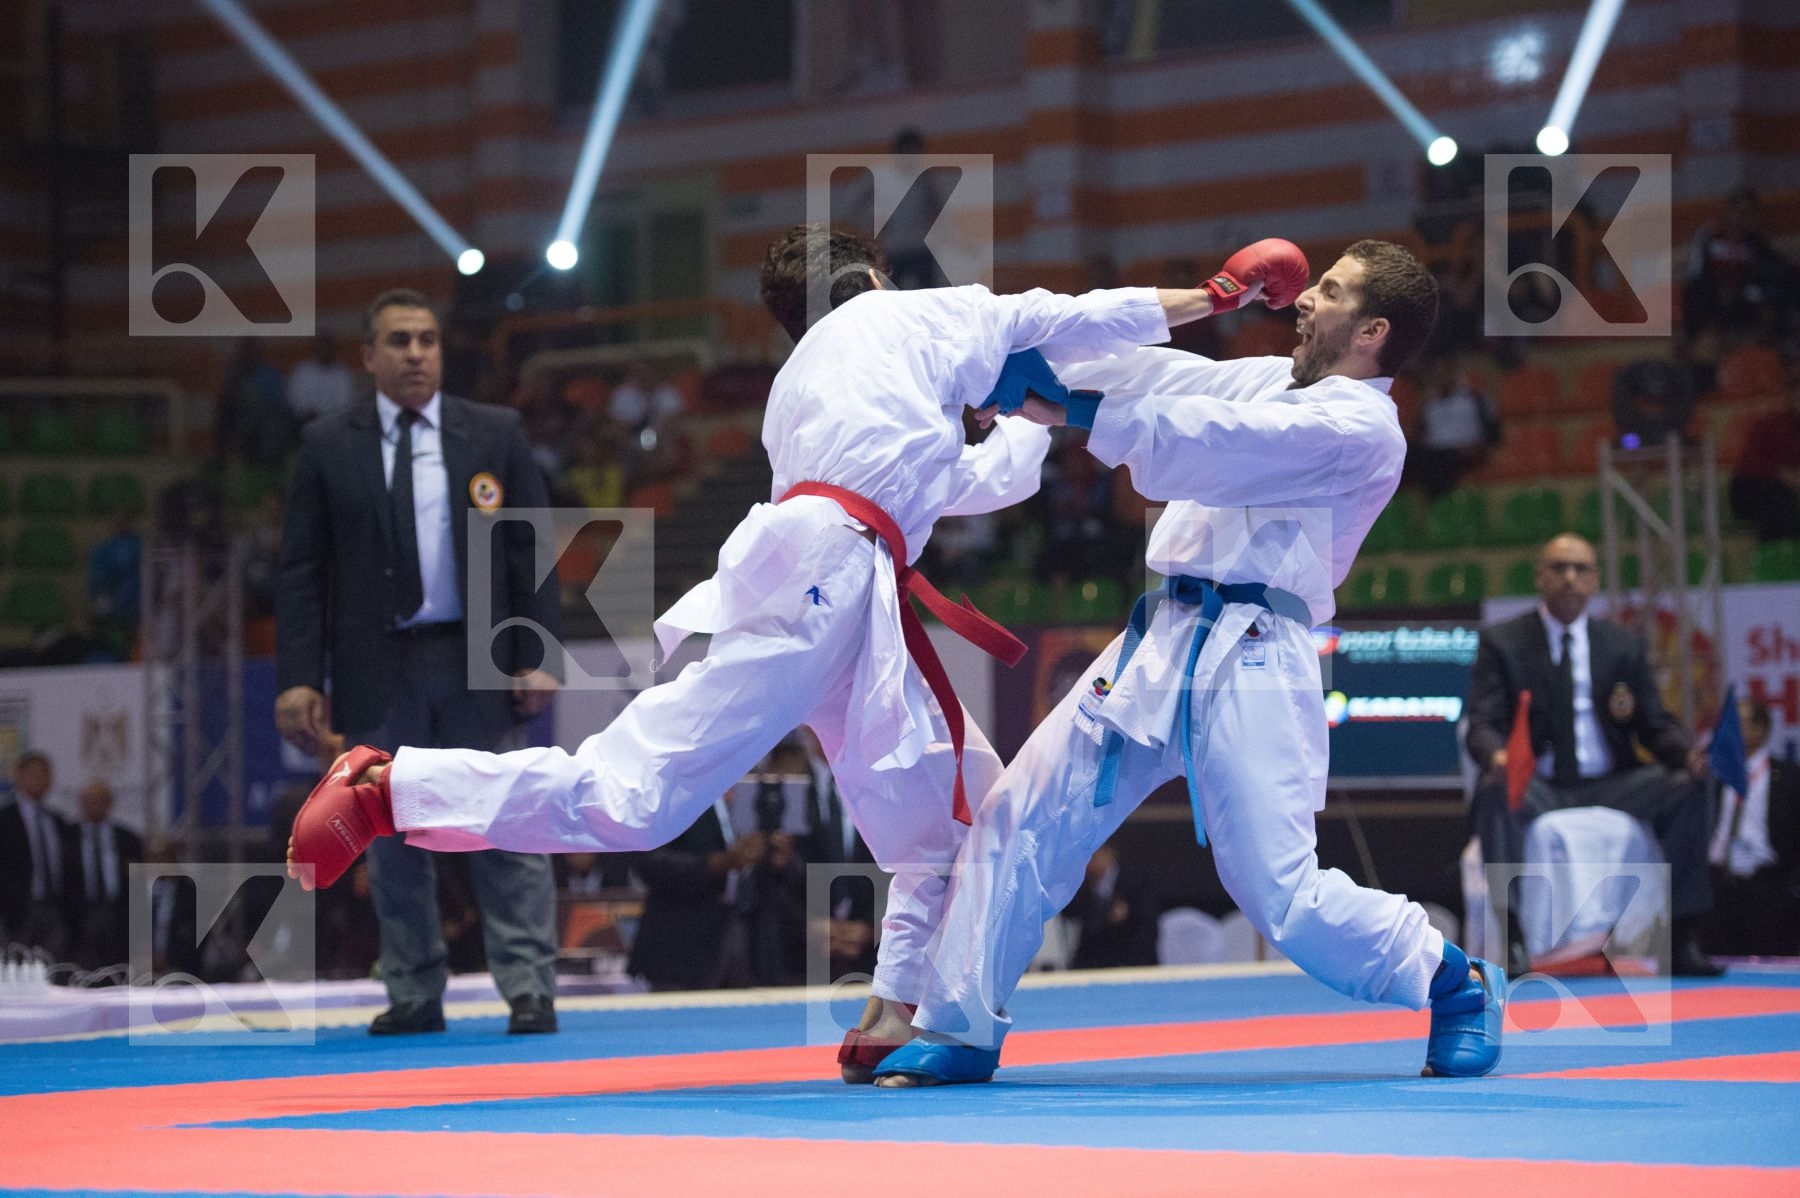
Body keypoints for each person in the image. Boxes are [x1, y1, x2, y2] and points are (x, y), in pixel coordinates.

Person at [288, 225, 1270, 1079]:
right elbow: (1068, 317)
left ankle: (892, 1011)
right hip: (830, 575)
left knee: (943, 822)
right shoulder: (911, 319)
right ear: (874, 278)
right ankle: (392, 786)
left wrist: (1018, 421)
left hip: (845, 580)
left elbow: (969, 483)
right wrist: (1213, 298)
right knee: (632, 798)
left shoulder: (808, 379)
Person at [873, 240, 1507, 1087]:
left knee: (1280, 894)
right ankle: (959, 1029)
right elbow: (1159, 380)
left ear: (1373, 330)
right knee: (1017, 814)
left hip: (1256, 653)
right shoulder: (1272, 380)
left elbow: (1217, 440)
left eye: (1331, 290)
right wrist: (1024, 355)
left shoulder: (1363, 428)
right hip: (1160, 638)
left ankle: (1454, 983)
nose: (1305, 300)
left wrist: (1072, 412)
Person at [274, 288, 565, 1036]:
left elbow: (531, 547)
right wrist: (301, 676)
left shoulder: (493, 432)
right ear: (368, 356)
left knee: (503, 821)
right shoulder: (327, 444)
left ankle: (529, 985)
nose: (415, 354)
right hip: (380, 664)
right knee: (390, 832)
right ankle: (411, 988)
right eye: (398, 341)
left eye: (427, 340)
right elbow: (303, 571)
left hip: (478, 661)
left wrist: (537, 654)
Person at [1465, 532, 1721, 978]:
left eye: (1580, 569)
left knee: (1690, 783)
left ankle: (1682, 935)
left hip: (1612, 785)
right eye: (1559, 568)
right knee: (1495, 789)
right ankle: (1516, 938)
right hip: (1539, 783)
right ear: (1540, 577)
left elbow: (1654, 723)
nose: (1569, 578)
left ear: (1595, 580)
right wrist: (1499, 757)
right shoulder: (1504, 642)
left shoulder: (1621, 645)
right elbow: (1483, 723)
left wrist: (1686, 755)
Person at [1707, 695, 1800, 956]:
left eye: (1739, 724)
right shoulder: (1713, 777)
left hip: (1771, 887)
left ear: (1762, 730)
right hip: (1721, 886)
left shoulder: (1790, 778)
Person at [0, 750, 75, 961]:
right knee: (16, 969)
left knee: (54, 969)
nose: (40, 779)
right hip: (16, 910)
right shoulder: (5, 820)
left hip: (54, 909)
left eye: (45, 774)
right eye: (34, 773)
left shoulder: (57, 822)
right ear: (18, 776)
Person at [68, 780, 144, 973]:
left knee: (118, 972)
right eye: (89, 800)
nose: (95, 805)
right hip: (80, 916)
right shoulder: (66, 836)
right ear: (81, 803)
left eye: (99, 800)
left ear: (110, 803)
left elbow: (139, 885)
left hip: (118, 916)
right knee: (83, 973)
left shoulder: (128, 839)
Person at [1727, 354, 1800, 541]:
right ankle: (1775, 558)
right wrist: (1783, 474)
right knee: (1780, 501)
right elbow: (1750, 467)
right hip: (1756, 489)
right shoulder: (1768, 425)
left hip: (1784, 493)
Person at [286, 333, 358, 425]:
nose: (325, 351)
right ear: (315, 349)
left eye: (328, 348)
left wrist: (326, 415)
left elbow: (345, 403)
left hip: (333, 422)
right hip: (305, 420)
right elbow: (295, 401)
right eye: (321, 348)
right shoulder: (302, 370)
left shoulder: (342, 373)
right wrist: (310, 413)